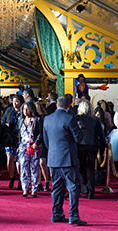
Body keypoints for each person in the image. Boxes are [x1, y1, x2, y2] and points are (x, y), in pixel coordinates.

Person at [43, 95, 86, 226]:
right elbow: (78, 138)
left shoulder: (47, 119)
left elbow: (46, 141)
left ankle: (56, 214)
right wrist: (79, 128)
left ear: (56, 105)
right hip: (68, 160)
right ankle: (73, 216)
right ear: (69, 106)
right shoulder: (70, 118)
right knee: (73, 187)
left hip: (53, 158)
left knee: (56, 188)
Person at [76, 100, 106, 199]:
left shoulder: (78, 118)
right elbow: (100, 135)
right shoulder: (95, 119)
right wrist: (103, 146)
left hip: (81, 145)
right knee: (92, 169)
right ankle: (91, 192)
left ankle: (84, 189)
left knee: (82, 168)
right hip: (93, 145)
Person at [17, 100, 43, 197]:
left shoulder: (37, 119)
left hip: (33, 146)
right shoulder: (21, 119)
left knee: (34, 167)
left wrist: (36, 143)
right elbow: (19, 134)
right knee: (23, 167)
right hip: (23, 146)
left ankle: (34, 188)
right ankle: (25, 188)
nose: (25, 111)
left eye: (27, 109)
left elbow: (41, 133)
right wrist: (19, 145)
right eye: (24, 109)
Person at [1, 94, 24, 189]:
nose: (15, 104)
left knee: (19, 160)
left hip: (20, 137)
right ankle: (11, 177)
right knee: (9, 159)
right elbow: (2, 122)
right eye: (13, 102)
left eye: (17, 101)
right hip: (10, 138)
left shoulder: (24, 111)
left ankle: (20, 179)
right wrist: (6, 125)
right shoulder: (9, 111)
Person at [34, 100, 50, 192]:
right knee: (37, 164)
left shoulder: (44, 118)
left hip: (43, 142)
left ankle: (46, 181)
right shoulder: (34, 118)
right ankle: (39, 183)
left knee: (42, 163)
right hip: (36, 142)